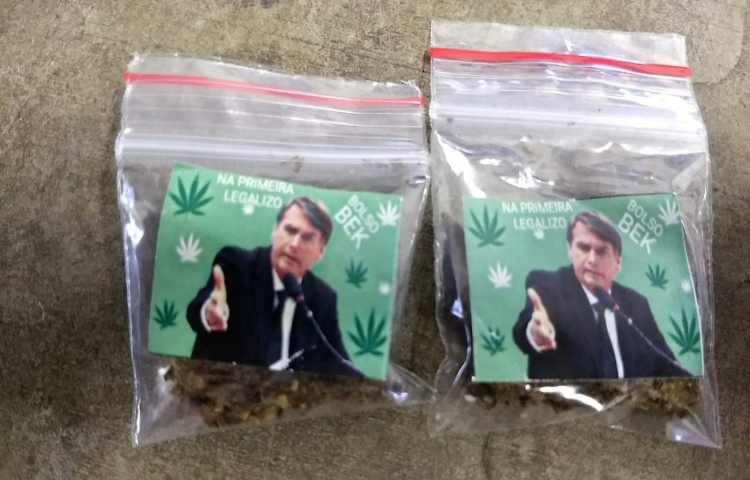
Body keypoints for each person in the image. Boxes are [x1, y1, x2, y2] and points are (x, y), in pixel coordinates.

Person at [186, 196, 360, 377]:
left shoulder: (323, 297)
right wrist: (209, 313)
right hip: (222, 387)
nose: (294, 244)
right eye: (290, 230)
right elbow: (198, 307)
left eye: (308, 238)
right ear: (275, 230)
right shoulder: (237, 264)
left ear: (320, 252)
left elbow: (338, 360)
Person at [512, 210, 690, 379]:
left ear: (618, 262)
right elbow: (524, 329)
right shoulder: (548, 286)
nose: (592, 260)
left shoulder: (636, 305)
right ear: (570, 249)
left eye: (601, 251)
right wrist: (535, 333)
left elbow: (666, 365)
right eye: (584, 248)